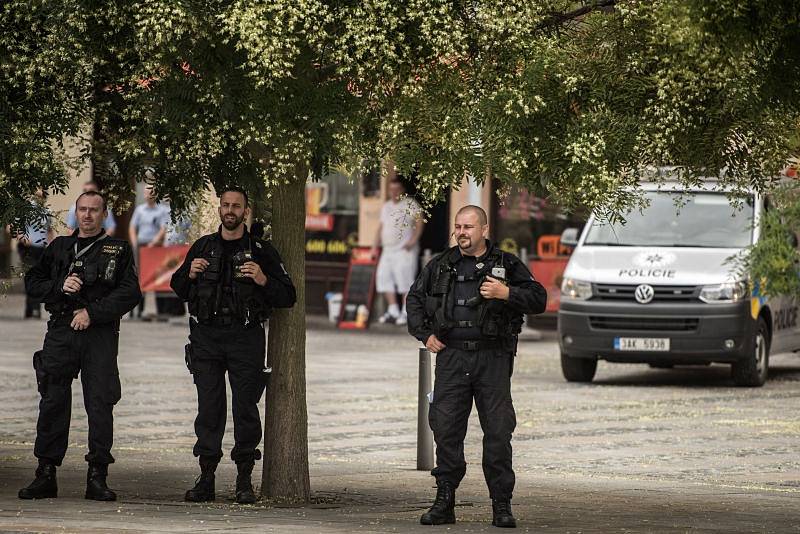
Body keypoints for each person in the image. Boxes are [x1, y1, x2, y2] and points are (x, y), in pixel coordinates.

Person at [406, 205, 547, 528]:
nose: (461, 232)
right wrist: (425, 334)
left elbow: (539, 299)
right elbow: (414, 300)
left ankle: (501, 504)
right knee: (445, 429)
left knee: (498, 432)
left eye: (468, 227)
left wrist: (506, 292)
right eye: (458, 226)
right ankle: (444, 501)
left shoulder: (506, 264)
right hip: (452, 357)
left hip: (492, 358)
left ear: (484, 230)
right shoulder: (441, 265)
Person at [170, 187, 296, 504]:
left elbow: (288, 296)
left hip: (245, 337)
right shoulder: (203, 247)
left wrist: (264, 279)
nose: (230, 210)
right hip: (207, 338)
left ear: (245, 211)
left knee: (245, 409)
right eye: (225, 205)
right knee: (209, 410)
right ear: (220, 209)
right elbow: (179, 288)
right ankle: (207, 477)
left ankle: (244, 480)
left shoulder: (261, 250)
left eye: (236, 206)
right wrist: (190, 272)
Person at [18, 190, 141, 501]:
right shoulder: (60, 247)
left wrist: (92, 313)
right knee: (52, 400)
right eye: (82, 210)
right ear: (76, 213)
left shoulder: (119, 249)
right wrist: (60, 286)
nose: (87, 215)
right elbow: (33, 283)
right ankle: (46, 473)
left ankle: (97, 475)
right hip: (61, 332)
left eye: (94, 210)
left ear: (103, 215)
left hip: (99, 335)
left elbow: (130, 293)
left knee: (100, 403)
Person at [371, 178, 424, 325]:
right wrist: (374, 246)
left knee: (405, 280)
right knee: (383, 277)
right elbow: (380, 227)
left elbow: (420, 223)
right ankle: (393, 310)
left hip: (404, 249)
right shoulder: (386, 206)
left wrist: (413, 241)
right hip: (387, 249)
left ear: (402, 190)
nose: (394, 192)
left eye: (397, 189)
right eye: (391, 189)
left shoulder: (410, 204)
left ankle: (406, 313)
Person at [129, 184, 170, 317]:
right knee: (140, 277)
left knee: (157, 276)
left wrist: (154, 242)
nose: (150, 193)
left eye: (153, 191)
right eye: (147, 191)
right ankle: (138, 310)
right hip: (141, 246)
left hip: (156, 247)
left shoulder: (162, 210)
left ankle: (162, 310)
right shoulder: (140, 210)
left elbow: (164, 228)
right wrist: (135, 242)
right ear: (144, 194)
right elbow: (132, 227)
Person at [16, 189, 56, 318]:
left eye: (41, 197)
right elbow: (15, 228)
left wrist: (51, 245)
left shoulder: (47, 212)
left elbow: (50, 231)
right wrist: (23, 238)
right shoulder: (26, 210)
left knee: (38, 277)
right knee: (31, 276)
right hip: (27, 248)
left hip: (41, 249)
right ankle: (33, 309)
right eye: (36, 196)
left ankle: (33, 309)